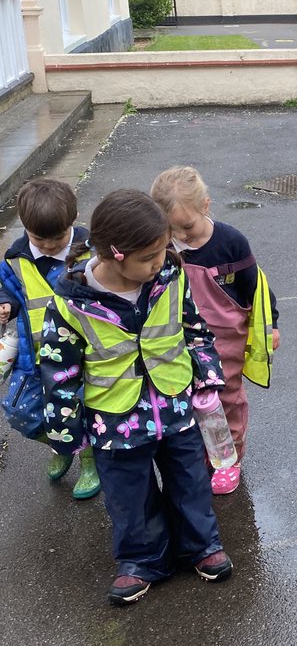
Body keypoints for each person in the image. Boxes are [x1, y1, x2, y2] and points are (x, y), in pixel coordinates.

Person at [40, 189, 233, 606]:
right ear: (114, 255)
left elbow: (193, 328)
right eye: (149, 257)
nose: (159, 263)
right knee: (129, 494)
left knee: (190, 480)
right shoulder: (71, 303)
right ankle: (142, 561)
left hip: (175, 403)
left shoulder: (170, 277)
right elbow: (59, 371)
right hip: (114, 417)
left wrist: (208, 376)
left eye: (163, 251)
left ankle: (200, 546)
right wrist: (66, 431)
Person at [150, 165, 278, 495]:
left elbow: (257, 288)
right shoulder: (164, 249)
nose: (180, 237)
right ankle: (203, 451)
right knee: (190, 400)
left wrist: (271, 325)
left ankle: (229, 457)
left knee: (226, 399)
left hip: (227, 342)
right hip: (181, 341)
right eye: (171, 230)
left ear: (206, 205)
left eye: (187, 227)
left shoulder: (231, 242)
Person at [0, 178, 98, 497]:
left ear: (72, 221)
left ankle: (87, 456)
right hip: (34, 358)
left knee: (79, 406)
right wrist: (6, 303)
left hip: (79, 357)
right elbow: (8, 289)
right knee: (20, 412)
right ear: (25, 227)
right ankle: (62, 444)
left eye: (57, 238)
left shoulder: (91, 253)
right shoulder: (15, 260)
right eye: (39, 238)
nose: (49, 246)